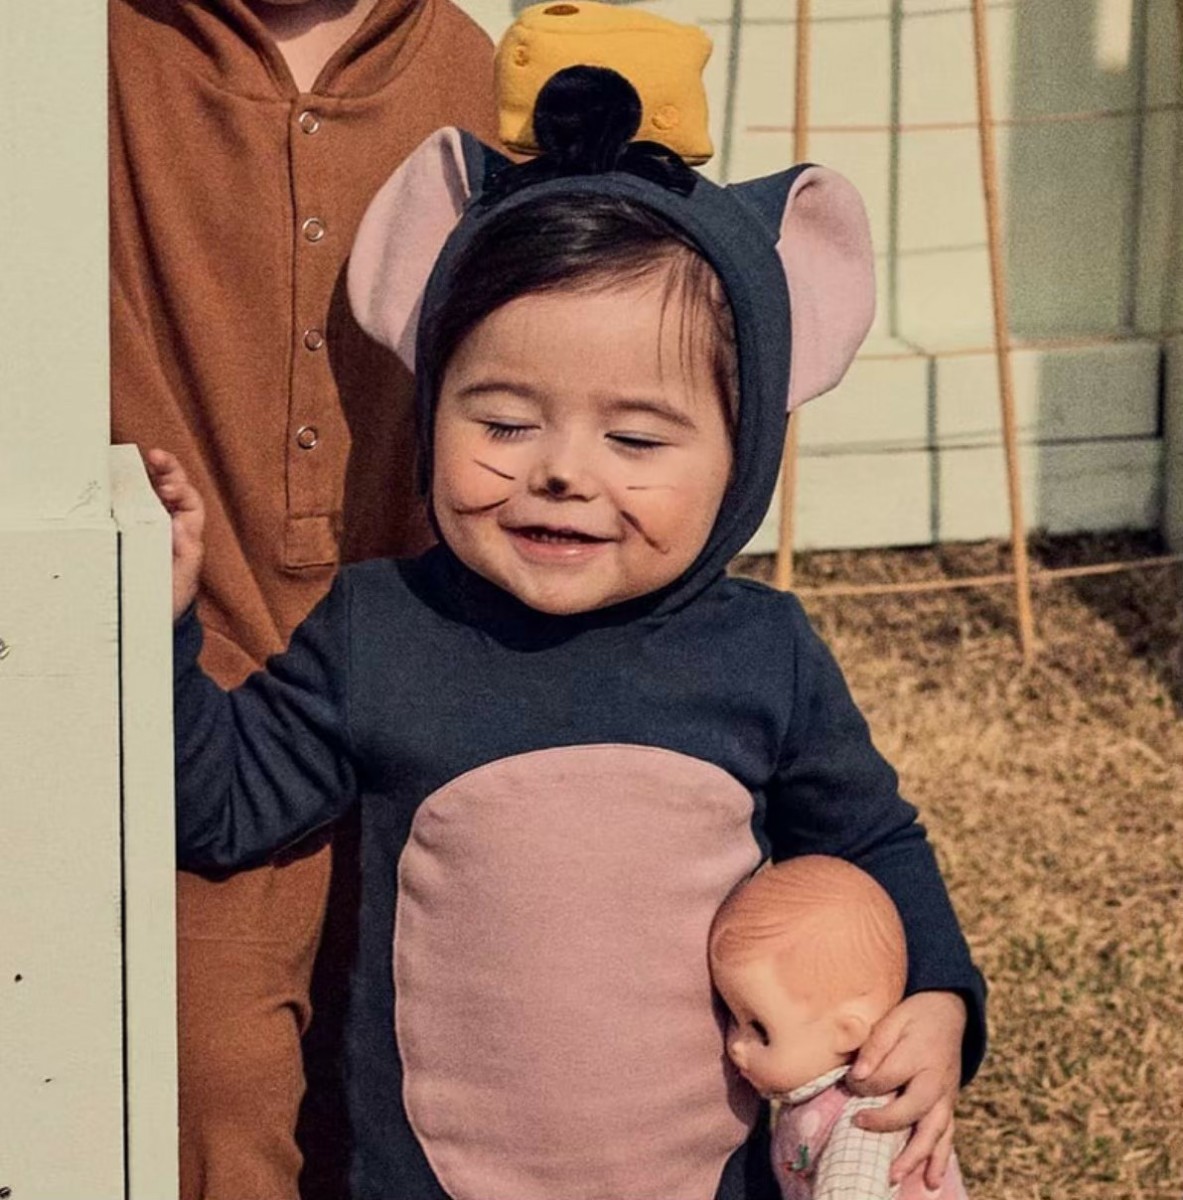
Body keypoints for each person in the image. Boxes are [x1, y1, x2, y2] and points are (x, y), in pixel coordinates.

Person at [146, 65, 987, 1200]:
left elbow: (873, 845)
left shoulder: (762, 655)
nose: (559, 472)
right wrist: (162, 627)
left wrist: (936, 999)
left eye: (636, 440)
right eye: (501, 420)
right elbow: (226, 809)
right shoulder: (382, 629)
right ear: (430, 398)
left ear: (744, 457)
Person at [108, 1, 497, 1196]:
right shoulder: (85, 57)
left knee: (439, 1079)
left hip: (437, 667)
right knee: (207, 1084)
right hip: (179, 668)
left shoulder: (480, 73)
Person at [710, 856, 972, 1199]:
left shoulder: (861, 1119)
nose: (736, 1046)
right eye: (733, 1017)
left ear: (847, 1032)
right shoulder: (816, 1099)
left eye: (760, 1030)